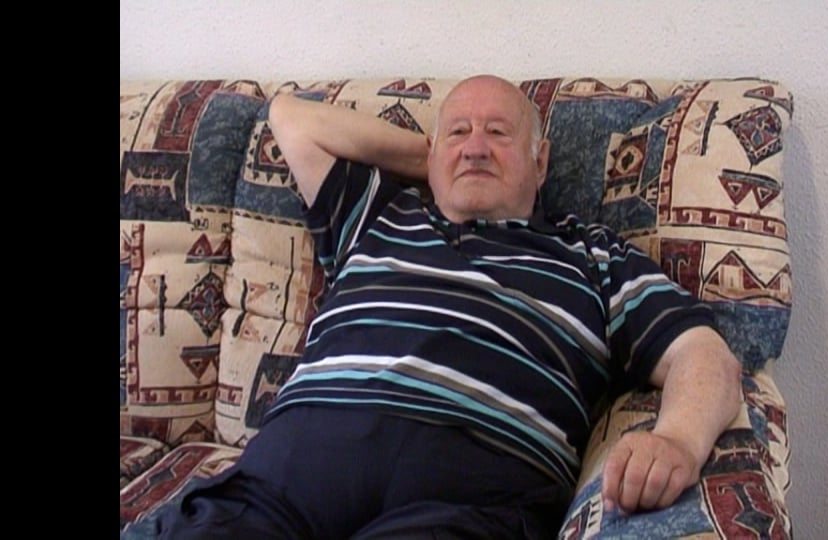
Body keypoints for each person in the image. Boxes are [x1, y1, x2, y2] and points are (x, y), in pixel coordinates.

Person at [155, 75, 742, 539]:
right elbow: (289, 116)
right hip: (284, 482)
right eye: (459, 131)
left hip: (467, 500)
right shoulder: (377, 215)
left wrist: (678, 442)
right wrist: (439, 159)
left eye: (499, 134)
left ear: (540, 162)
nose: (477, 147)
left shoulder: (593, 257)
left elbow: (704, 353)